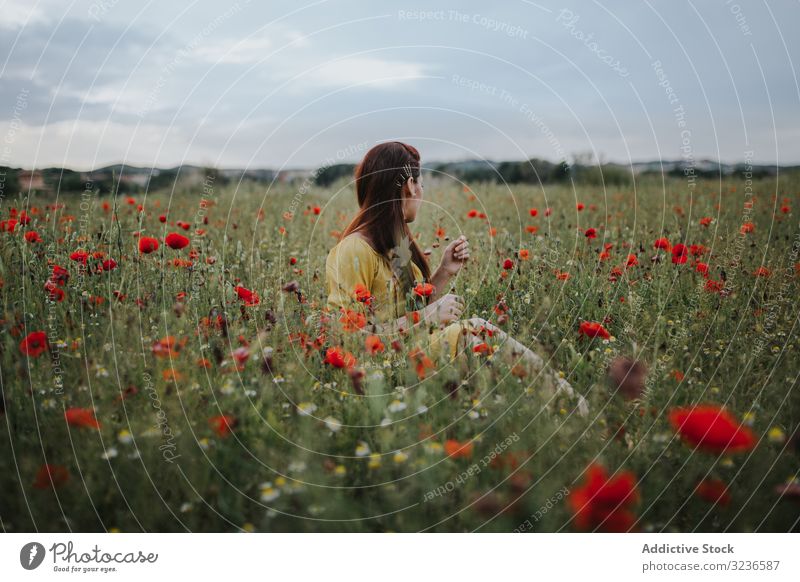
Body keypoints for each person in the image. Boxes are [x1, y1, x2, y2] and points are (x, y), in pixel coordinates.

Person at [325, 141, 577, 403]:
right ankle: (568, 405)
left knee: (479, 335)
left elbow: (410, 310)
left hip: (409, 353)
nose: (421, 191)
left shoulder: (394, 247)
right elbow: (347, 339)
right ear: (410, 184)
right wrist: (427, 316)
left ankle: (556, 404)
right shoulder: (353, 250)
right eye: (421, 183)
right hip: (382, 373)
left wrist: (444, 272)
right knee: (474, 331)